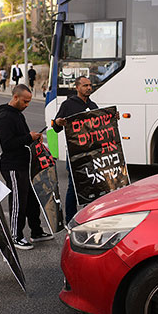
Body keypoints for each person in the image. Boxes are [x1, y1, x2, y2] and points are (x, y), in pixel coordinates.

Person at [0, 84, 53, 249]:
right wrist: (29, 137)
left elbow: (22, 137)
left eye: (29, 101)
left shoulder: (17, 114)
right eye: (25, 101)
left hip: (24, 164)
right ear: (15, 97)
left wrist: (33, 138)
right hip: (13, 165)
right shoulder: (6, 117)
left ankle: (36, 231)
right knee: (18, 201)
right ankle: (16, 236)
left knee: (32, 200)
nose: (27, 105)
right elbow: (7, 144)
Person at [52, 76, 100, 223]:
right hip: (75, 152)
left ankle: (89, 215)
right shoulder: (68, 105)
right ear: (77, 87)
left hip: (91, 153)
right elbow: (55, 128)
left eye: (90, 85)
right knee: (74, 186)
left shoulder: (93, 106)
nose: (89, 88)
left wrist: (111, 118)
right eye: (85, 85)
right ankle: (70, 219)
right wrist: (59, 122)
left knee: (92, 184)